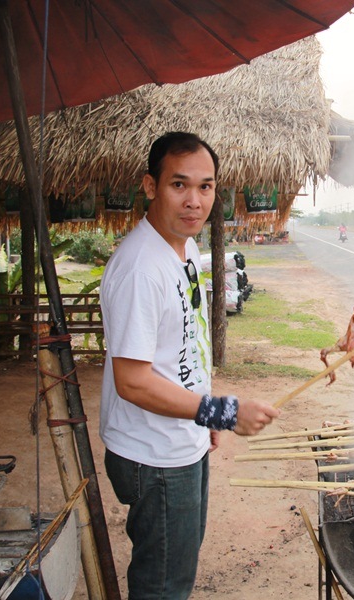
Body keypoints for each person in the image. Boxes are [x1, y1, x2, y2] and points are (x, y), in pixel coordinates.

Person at [99, 131, 280, 599]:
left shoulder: (180, 250)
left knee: (176, 567)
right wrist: (218, 411)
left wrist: (200, 415)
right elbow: (133, 382)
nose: (194, 200)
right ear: (150, 186)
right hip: (153, 454)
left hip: (180, 438)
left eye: (206, 186)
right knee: (164, 585)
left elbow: (181, 345)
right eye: (179, 185)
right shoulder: (142, 267)